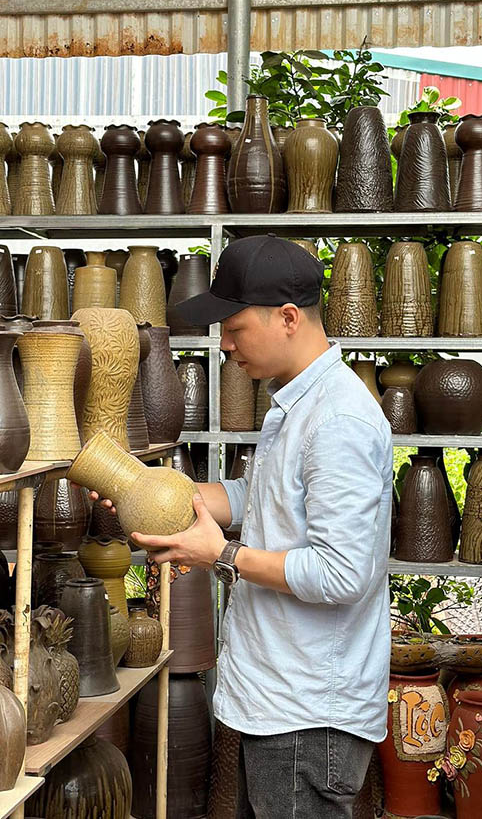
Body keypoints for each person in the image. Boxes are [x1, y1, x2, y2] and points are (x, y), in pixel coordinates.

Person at [91, 234, 393, 818]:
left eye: (234, 327)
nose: (224, 344)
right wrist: (146, 491)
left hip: (310, 716)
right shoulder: (296, 405)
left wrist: (220, 556)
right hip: (282, 703)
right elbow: (260, 499)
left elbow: (341, 573)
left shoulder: (339, 421)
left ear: (286, 318)